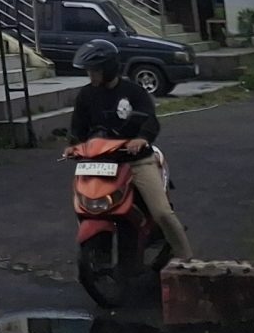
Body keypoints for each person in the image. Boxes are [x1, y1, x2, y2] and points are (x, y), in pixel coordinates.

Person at [65, 37, 194, 261]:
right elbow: (78, 128)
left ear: (109, 69)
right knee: (86, 207)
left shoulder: (134, 91)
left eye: (94, 70)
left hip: (136, 161)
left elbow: (150, 120)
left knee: (162, 212)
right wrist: (73, 146)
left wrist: (142, 138)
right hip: (101, 163)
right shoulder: (86, 95)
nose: (91, 75)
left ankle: (187, 260)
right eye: (88, 71)